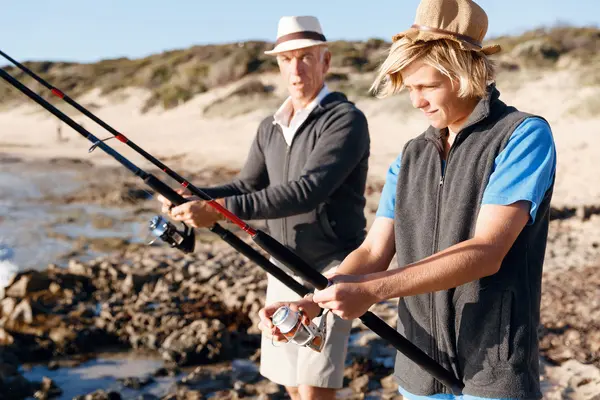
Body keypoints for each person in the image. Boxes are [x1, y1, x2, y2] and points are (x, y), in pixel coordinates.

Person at [258, 1, 557, 399]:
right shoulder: (412, 154)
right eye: (409, 88)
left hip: (495, 368)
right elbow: (372, 251)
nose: (416, 101)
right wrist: (313, 302)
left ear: (464, 73)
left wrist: (373, 291)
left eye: (427, 86)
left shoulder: (522, 136)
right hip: (418, 366)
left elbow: (488, 251)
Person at [158, 15, 371, 400]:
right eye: (287, 59)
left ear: (326, 61)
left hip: (332, 266)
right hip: (280, 261)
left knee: (316, 384)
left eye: (306, 57)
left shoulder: (346, 120)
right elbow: (246, 185)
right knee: (288, 377)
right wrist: (191, 194)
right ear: (277, 65)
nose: (296, 68)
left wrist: (219, 210)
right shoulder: (269, 125)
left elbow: (307, 191)